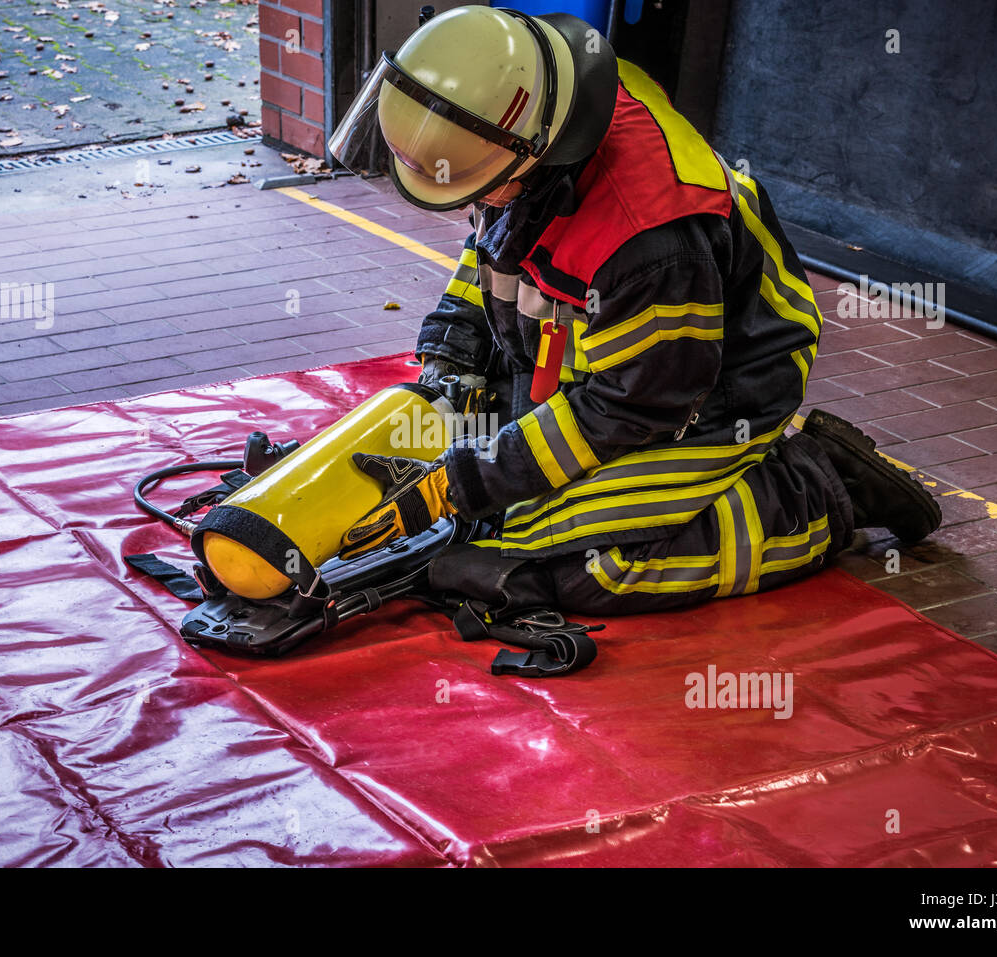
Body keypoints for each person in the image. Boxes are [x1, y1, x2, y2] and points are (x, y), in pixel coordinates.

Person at [327, 5, 941, 616]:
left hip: (704, 395)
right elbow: (495, 241)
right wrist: (453, 356)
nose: (476, 200)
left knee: (573, 562)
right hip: (593, 360)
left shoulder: (650, 238)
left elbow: (635, 404)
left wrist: (467, 481)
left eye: (479, 184)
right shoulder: (535, 113)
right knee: (468, 495)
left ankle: (815, 490)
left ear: (536, 155)